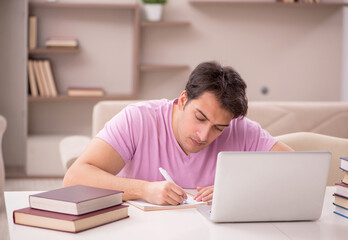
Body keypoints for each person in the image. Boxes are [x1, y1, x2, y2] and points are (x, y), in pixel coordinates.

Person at [63, 61, 293, 206]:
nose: (204, 135)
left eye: (218, 128)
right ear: (183, 100)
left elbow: (295, 168)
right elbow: (74, 178)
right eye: (200, 118)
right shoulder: (138, 119)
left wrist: (240, 186)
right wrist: (144, 189)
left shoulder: (240, 129)